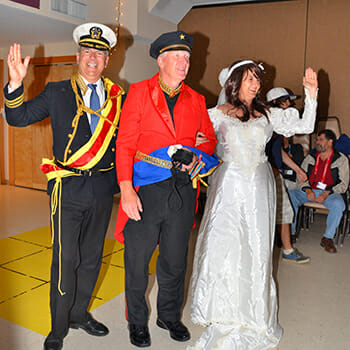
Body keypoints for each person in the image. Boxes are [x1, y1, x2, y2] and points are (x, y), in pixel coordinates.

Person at [4, 23, 124, 350]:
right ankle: (58, 326)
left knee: (91, 258)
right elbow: (18, 118)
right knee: (65, 258)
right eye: (87, 52)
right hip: (66, 189)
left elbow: (129, 142)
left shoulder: (119, 98)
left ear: (107, 60)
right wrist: (15, 85)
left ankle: (80, 314)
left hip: (101, 189)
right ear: (77, 56)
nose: (93, 58)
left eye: (99, 53)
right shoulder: (57, 92)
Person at [188, 60, 318, 350]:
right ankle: (221, 309)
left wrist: (312, 95)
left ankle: (254, 313)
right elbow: (192, 138)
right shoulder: (217, 113)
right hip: (229, 184)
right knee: (226, 244)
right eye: (249, 78)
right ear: (234, 82)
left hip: (259, 184)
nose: (256, 83)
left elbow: (305, 125)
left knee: (256, 244)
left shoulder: (269, 113)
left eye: (258, 79)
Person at [114, 31, 217, 348]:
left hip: (183, 191)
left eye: (187, 57)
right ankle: (137, 321)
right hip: (144, 190)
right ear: (161, 60)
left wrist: (196, 156)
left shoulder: (197, 99)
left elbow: (210, 139)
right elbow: (125, 144)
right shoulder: (139, 92)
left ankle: (169, 316)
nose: (184, 63)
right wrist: (126, 189)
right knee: (137, 261)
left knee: (174, 260)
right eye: (177, 57)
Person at [266, 87, 310, 263]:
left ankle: (287, 249)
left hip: (274, 174)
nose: (290, 105)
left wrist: (298, 169)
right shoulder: (266, 124)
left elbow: (280, 153)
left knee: (284, 213)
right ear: (277, 102)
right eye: (287, 101)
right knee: (274, 214)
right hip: (264, 176)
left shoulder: (278, 129)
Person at [289, 129, 349, 254]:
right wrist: (307, 189)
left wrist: (327, 192)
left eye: (321, 139)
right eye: (317, 140)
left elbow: (343, 184)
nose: (317, 142)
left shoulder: (341, 159)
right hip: (310, 191)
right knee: (290, 196)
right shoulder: (311, 156)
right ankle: (291, 233)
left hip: (330, 193)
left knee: (339, 204)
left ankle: (327, 238)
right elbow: (300, 176)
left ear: (330, 142)